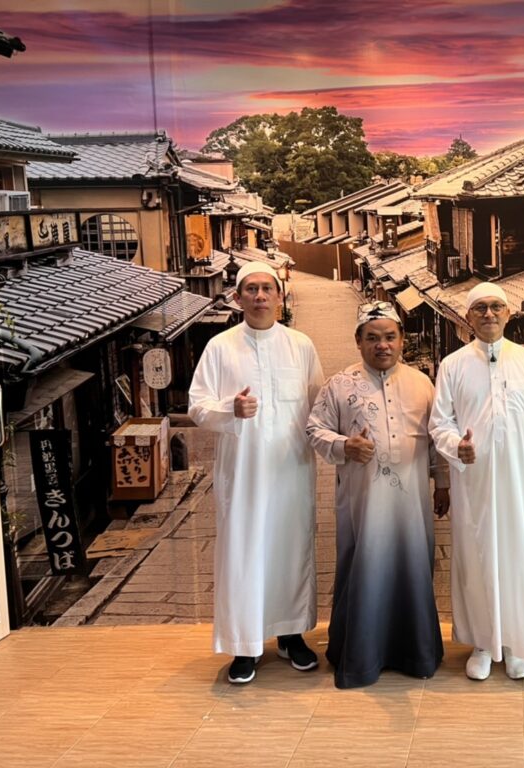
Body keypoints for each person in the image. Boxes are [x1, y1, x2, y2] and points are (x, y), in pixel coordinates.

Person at [188, 262, 323, 684]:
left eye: (268, 288)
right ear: (237, 298)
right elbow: (197, 406)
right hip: (243, 473)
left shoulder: (301, 345)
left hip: (292, 470)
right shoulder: (220, 347)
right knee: (244, 555)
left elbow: (319, 406)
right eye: (251, 289)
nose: (260, 295)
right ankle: (245, 646)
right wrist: (230, 408)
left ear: (280, 296)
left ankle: (291, 635)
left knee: (291, 550)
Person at [306, 301, 449, 688]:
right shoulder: (339, 385)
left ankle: (416, 654)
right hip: (362, 505)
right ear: (358, 341)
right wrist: (344, 445)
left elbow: (435, 439)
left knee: (414, 569)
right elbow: (314, 429)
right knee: (364, 569)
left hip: (412, 504)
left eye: (389, 337)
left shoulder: (422, 383)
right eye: (372, 338)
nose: (382, 345)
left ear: (402, 340)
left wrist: (443, 483)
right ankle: (361, 658)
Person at [429, 283, 524, 681]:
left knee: (519, 558)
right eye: (480, 308)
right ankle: (483, 643)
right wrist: (456, 447)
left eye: (496, 307)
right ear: (468, 317)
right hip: (474, 480)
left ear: (508, 313)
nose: (488, 314)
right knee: (476, 556)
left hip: (519, 478)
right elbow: (439, 423)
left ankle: (517, 643)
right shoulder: (452, 364)